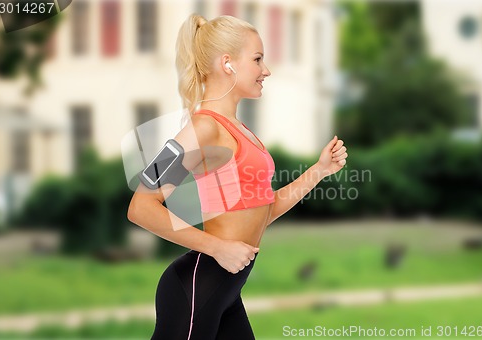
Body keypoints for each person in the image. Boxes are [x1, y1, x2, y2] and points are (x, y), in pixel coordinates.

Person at [127, 14, 348, 340]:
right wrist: (217, 248)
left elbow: (263, 211)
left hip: (226, 290)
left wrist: (318, 171)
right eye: (258, 59)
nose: (266, 70)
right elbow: (142, 206)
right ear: (227, 63)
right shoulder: (203, 129)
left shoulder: (242, 133)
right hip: (195, 289)